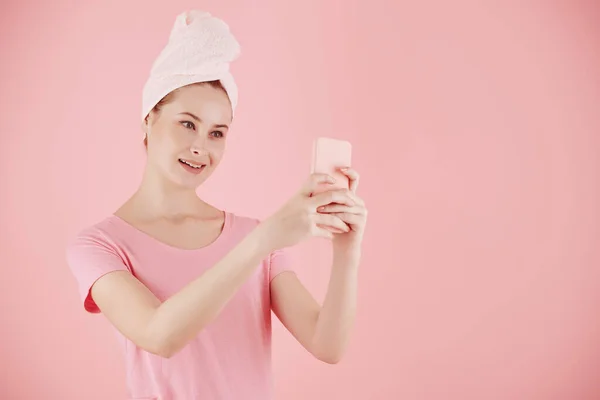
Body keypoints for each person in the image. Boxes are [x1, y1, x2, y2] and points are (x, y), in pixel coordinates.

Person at [65, 10, 367, 400]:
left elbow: (327, 345)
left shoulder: (255, 235)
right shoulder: (98, 245)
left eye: (217, 133)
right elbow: (159, 335)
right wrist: (262, 242)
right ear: (148, 119)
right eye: (187, 123)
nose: (201, 147)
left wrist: (347, 252)